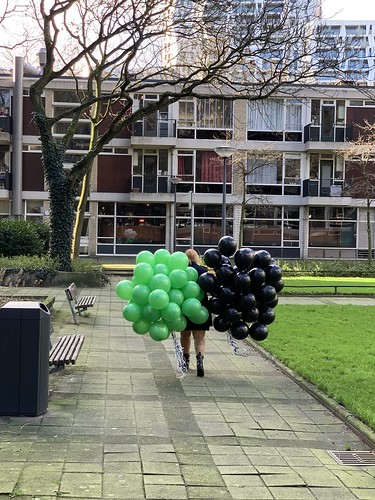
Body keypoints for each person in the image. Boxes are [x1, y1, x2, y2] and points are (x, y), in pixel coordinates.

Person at [180, 248, 212, 377]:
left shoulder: (180, 272)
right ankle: (200, 362)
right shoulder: (204, 271)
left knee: (185, 335)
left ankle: (185, 361)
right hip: (201, 309)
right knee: (199, 338)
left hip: (185, 307)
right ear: (197, 258)